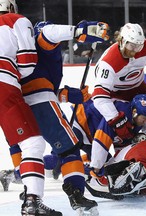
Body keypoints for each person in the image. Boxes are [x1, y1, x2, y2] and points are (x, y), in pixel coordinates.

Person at [7, 19, 109, 214]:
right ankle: (76, 193)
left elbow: (42, 85)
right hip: (40, 103)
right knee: (69, 148)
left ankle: (30, 194)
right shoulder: (39, 39)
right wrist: (80, 30)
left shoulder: (16, 50)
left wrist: (68, 95)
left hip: (17, 104)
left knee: (31, 149)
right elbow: (48, 32)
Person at [0, 1, 62, 215]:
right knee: (33, 144)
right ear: (10, 7)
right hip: (4, 85)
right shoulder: (16, 20)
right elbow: (27, 64)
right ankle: (32, 201)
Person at [91, 22, 146, 171]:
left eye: (138, 46)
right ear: (122, 41)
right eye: (132, 46)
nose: (135, 51)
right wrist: (115, 119)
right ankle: (97, 167)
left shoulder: (144, 48)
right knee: (117, 133)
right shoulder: (108, 63)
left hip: (139, 90)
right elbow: (99, 97)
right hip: (116, 96)